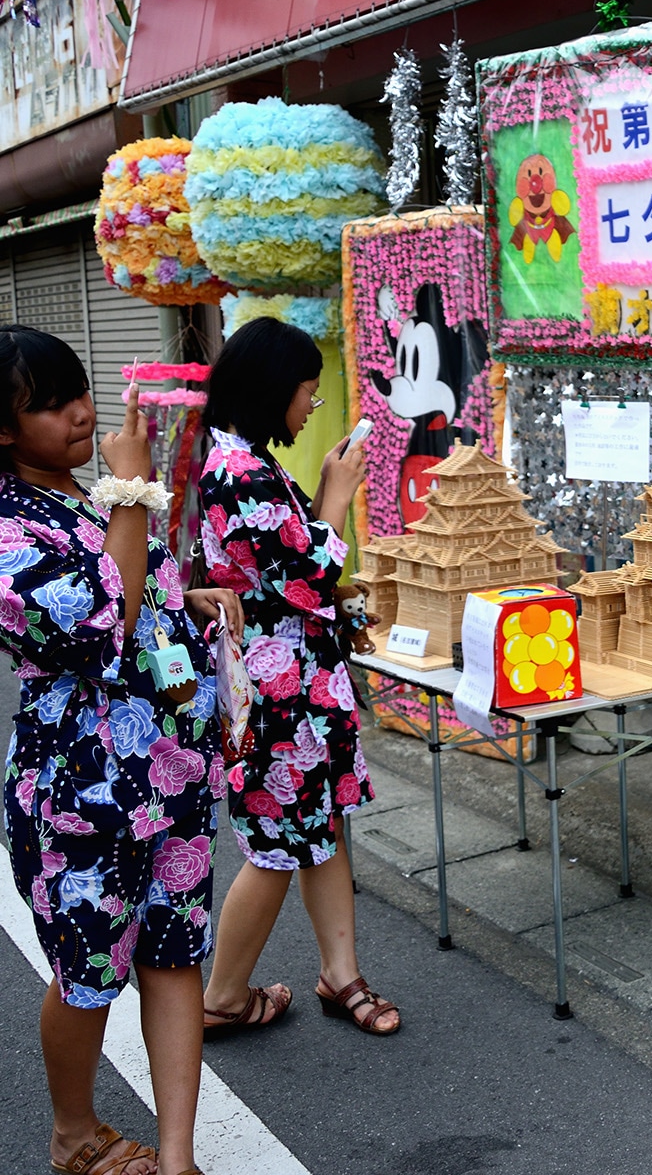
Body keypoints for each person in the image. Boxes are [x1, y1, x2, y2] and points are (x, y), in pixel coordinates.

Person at [0, 326, 241, 1175]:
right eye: (51, 402)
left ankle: (178, 1158)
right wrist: (134, 489)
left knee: (174, 957)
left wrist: (193, 598)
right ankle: (73, 1132)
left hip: (170, 774)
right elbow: (106, 627)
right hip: (83, 792)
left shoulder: (80, 494)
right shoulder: (6, 527)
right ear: (2, 426)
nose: (80, 411)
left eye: (80, 389)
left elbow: (144, 588)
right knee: (88, 973)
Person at [198, 318, 399, 1037]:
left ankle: (339, 973)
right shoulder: (240, 470)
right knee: (280, 845)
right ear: (274, 389)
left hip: (295, 682)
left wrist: (319, 508)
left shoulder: (234, 458)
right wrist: (336, 494)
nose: (311, 406)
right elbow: (310, 573)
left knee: (322, 827)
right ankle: (221, 996)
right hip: (279, 688)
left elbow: (282, 573)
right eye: (308, 393)